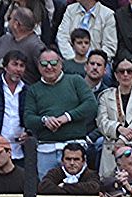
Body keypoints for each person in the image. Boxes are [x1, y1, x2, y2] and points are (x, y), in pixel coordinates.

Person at [23, 49, 98, 179]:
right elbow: (28, 118)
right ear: (38, 66)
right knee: (46, 189)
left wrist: (67, 117)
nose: (49, 67)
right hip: (46, 149)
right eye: (44, 64)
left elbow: (91, 105)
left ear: (61, 63)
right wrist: (45, 120)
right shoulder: (33, 90)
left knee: (78, 188)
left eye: (53, 62)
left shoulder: (75, 81)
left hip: (75, 147)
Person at [97, 54, 132, 174]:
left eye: (129, 71)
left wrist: (122, 140)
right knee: (111, 186)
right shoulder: (105, 96)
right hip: (112, 149)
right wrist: (118, 129)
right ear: (116, 75)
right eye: (121, 71)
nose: (125, 74)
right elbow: (102, 122)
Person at [56, 0, 117, 64]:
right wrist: (74, 59)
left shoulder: (108, 14)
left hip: (98, 63)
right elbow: (62, 37)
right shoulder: (70, 9)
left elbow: (109, 46)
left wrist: (93, 61)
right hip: (70, 59)